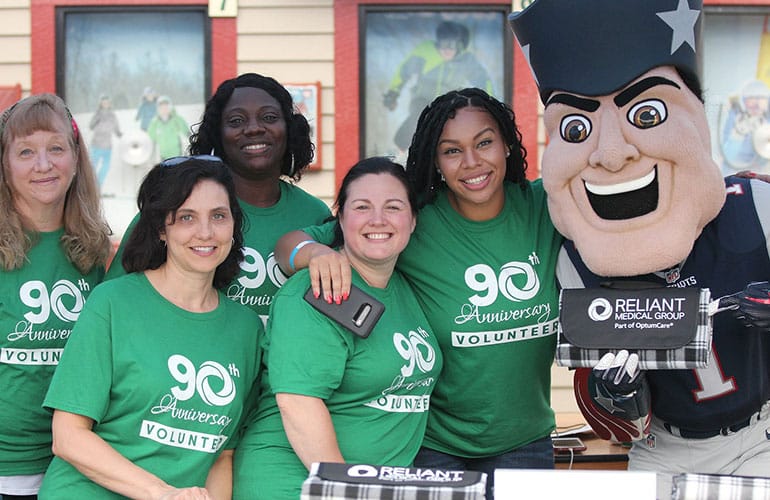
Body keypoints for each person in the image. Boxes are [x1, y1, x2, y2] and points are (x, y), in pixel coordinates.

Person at [510, 0, 770, 496]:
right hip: (665, 446)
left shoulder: (754, 206)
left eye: (646, 114)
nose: (612, 153)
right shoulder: (577, 260)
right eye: (576, 129)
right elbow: (617, 420)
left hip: (759, 435)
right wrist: (617, 394)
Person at [277, 87, 563, 498]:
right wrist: (315, 255)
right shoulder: (415, 219)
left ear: (507, 145)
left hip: (525, 441)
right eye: (452, 151)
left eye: (484, 143)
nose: (471, 162)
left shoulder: (545, 207)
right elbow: (290, 245)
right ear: (435, 161)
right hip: (434, 447)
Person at [38, 156, 263, 499]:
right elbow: (68, 436)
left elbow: (222, 455)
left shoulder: (246, 328)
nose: (205, 232)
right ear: (161, 228)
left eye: (218, 216)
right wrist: (161, 493)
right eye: (186, 217)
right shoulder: (113, 303)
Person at [233, 157, 443, 500]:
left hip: (369, 486)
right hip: (298, 484)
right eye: (362, 207)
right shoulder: (317, 289)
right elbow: (298, 403)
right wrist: (347, 490)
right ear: (341, 219)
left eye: (393, 207)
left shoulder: (405, 289)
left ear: (413, 220)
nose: (378, 219)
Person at [106, 73, 331, 326]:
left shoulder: (314, 213)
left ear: (289, 128)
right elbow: (116, 302)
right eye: (236, 121)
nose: (254, 128)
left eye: (269, 117)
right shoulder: (175, 207)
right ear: (217, 134)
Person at [0, 93, 111, 499]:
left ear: (76, 157)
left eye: (56, 149)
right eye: (26, 152)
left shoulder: (94, 251)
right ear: (5, 165)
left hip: (70, 471)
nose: (43, 165)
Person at [383, 21, 496, 151]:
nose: (446, 50)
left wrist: (490, 103)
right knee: (421, 117)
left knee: (449, 125)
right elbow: (404, 71)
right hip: (422, 97)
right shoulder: (425, 52)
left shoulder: (466, 60)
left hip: (449, 102)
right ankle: (402, 149)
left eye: (451, 46)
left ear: (459, 46)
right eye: (442, 45)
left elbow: (483, 81)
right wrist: (393, 92)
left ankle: (444, 152)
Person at [88, 94, 122, 186]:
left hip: (108, 146)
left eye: (107, 102)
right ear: (101, 103)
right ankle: (91, 185)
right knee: (93, 166)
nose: (105, 104)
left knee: (106, 166)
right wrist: (96, 120)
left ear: (109, 103)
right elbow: (91, 126)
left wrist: (120, 134)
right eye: (104, 102)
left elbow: (116, 128)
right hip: (96, 145)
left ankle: (98, 184)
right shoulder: (97, 114)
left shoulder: (112, 115)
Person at [147, 95, 190, 160]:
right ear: (158, 109)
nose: (164, 110)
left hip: (176, 154)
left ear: (170, 108)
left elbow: (186, 131)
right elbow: (150, 137)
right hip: (163, 155)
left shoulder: (176, 119)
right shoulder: (155, 123)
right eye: (161, 108)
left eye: (166, 107)